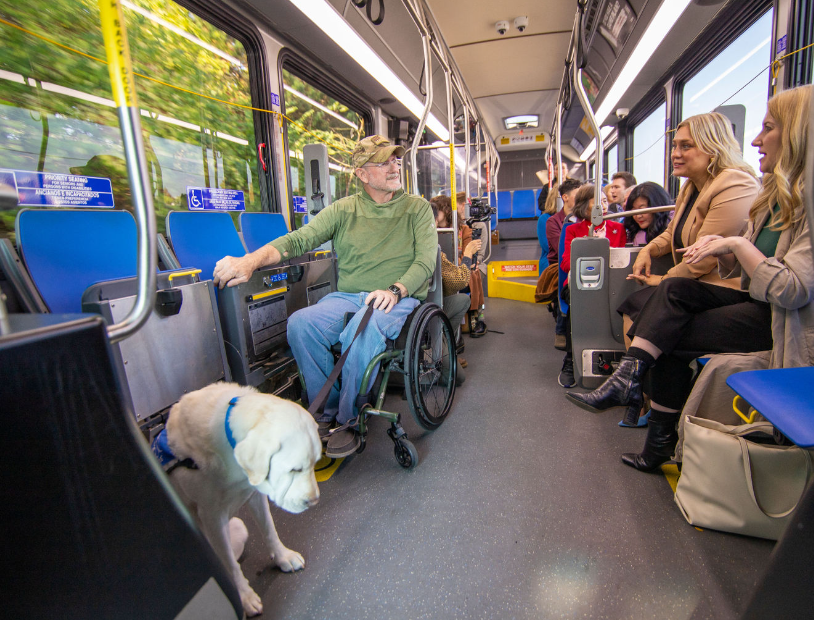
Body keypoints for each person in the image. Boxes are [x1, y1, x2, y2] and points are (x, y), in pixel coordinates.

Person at [566, 85, 814, 472]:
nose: (756, 140)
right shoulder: (768, 198)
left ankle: (638, 402)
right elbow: (726, 258)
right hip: (750, 299)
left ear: (798, 134)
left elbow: (790, 289)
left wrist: (732, 244)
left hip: (779, 318)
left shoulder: (754, 191)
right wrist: (720, 249)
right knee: (668, 308)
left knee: (666, 329)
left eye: (768, 129)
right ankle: (636, 395)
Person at [212, 135, 437, 458]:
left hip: (396, 297)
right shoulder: (344, 210)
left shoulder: (416, 209)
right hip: (348, 296)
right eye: (384, 161)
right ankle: (324, 410)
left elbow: (425, 261)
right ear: (361, 174)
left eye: (396, 160)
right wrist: (250, 261)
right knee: (300, 323)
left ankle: (349, 420)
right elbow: (299, 240)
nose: (394, 167)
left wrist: (395, 289)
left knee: (365, 327)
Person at [617, 112, 761, 336]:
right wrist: (649, 249)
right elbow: (671, 232)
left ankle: (639, 369)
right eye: (675, 146)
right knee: (634, 307)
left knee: (643, 309)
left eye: (686, 146)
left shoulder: (735, 183)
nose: (675, 154)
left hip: (725, 287)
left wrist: (662, 279)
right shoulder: (691, 187)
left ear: (712, 148)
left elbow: (704, 255)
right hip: (695, 286)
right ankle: (641, 370)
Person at [557, 184, 627, 387]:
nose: (602, 206)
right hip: (581, 283)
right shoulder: (573, 230)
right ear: (584, 205)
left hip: (612, 282)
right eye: (597, 201)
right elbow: (566, 263)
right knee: (575, 305)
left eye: (605, 201)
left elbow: (620, 260)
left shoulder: (618, 228)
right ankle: (570, 359)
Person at [430, 196, 482, 381]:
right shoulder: (430, 247)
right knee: (457, 378)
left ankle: (446, 342)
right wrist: (467, 255)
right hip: (425, 307)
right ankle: (444, 344)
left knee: (464, 293)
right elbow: (458, 280)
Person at [546, 178, 583, 350]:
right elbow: (559, 248)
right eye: (578, 195)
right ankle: (561, 329)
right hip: (558, 264)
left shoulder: (584, 219)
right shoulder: (553, 222)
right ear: (565, 197)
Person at [456, 191, 488, 337]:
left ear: (463, 206)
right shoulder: (453, 227)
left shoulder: (478, 225)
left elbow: (480, 254)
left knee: (475, 273)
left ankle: (478, 316)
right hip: (458, 262)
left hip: (476, 263)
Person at [623, 182, 672, 246]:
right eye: (634, 211)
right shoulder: (635, 233)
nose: (638, 216)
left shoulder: (674, 224)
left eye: (643, 210)